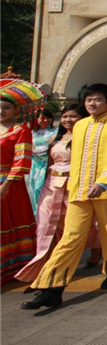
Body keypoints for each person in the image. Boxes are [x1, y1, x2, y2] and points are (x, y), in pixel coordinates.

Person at [23, 83, 107, 310]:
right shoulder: (80, 126)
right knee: (70, 238)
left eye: (98, 99)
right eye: (89, 100)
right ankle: (51, 287)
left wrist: (104, 182)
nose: (92, 103)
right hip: (79, 190)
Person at [16, 105, 100, 284]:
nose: (68, 120)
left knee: (73, 226)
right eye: (65, 117)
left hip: (74, 185)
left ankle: (96, 246)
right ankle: (42, 263)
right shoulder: (56, 137)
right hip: (51, 185)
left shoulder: (87, 137)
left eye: (73, 116)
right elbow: (49, 160)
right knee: (45, 224)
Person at [1, 80, 39, 285]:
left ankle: (14, 265)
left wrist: (6, 184)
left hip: (9, 184)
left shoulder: (19, 130)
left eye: (6, 108)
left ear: (16, 111)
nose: (1, 111)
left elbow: (22, 159)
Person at [28, 109, 58, 211]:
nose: (45, 120)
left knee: (40, 187)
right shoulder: (32, 132)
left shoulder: (56, 131)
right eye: (42, 118)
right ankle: (33, 213)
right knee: (32, 188)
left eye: (47, 118)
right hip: (34, 163)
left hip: (47, 161)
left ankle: (42, 210)